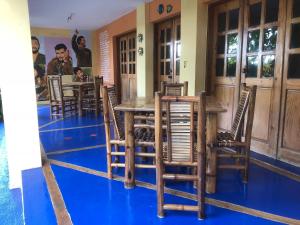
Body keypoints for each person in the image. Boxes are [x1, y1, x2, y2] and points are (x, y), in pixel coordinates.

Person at [31, 36, 47, 101]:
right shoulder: (23, 56)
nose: (33, 45)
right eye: (31, 43)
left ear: (39, 45)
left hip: (42, 89)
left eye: (35, 43)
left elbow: (44, 70)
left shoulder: (43, 57)